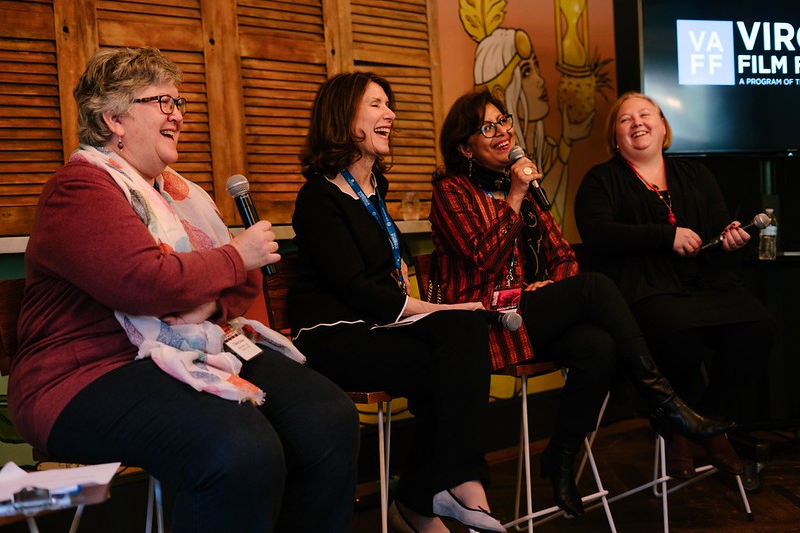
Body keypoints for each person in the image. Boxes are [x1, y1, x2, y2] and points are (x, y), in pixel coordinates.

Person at [7, 47, 360, 533]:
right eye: (162, 102)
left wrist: (210, 297)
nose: (178, 115)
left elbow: (243, 282)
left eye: (180, 102)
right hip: (84, 377)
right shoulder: (81, 189)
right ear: (114, 118)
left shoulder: (176, 196)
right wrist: (232, 259)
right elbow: (146, 283)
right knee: (238, 448)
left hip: (178, 354)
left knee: (327, 416)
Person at [428, 89, 734, 518]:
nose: (502, 131)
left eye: (503, 121)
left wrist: (553, 287)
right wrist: (516, 195)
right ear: (465, 146)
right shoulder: (452, 192)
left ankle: (561, 455)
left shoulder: (527, 188)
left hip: (532, 315)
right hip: (485, 323)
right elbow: (484, 256)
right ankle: (666, 405)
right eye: (487, 127)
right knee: (595, 288)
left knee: (598, 346)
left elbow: (563, 256)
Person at [287, 72, 505, 533]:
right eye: (376, 105)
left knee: (458, 346)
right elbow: (356, 290)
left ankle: (433, 492)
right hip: (331, 335)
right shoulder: (318, 198)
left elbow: (384, 290)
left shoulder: (374, 190)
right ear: (343, 117)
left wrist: (448, 315)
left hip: (378, 324)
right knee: (450, 352)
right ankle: (431, 495)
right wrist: (441, 311)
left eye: (389, 105)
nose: (390, 115)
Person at [574, 92, 775, 479]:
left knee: (759, 328)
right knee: (678, 332)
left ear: (663, 126)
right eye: (625, 119)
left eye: (646, 114)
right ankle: (675, 428)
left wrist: (729, 236)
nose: (637, 123)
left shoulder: (696, 173)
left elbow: (718, 224)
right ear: (615, 137)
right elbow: (598, 235)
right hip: (645, 287)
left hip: (705, 282)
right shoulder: (601, 180)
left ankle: (709, 422)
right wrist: (666, 236)